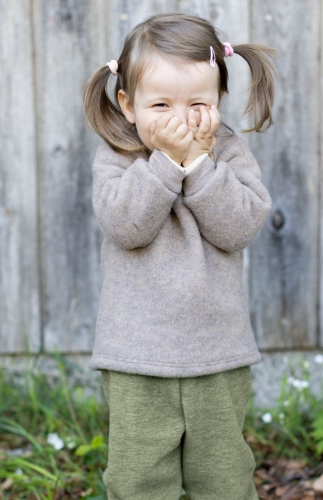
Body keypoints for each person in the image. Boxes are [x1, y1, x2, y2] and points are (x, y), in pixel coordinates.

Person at [82, 12, 276, 500]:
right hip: (137, 358)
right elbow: (128, 226)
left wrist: (200, 166)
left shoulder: (227, 154)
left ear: (218, 102)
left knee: (224, 478)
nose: (179, 119)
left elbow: (238, 228)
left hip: (218, 354)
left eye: (197, 104)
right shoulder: (117, 157)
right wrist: (167, 164)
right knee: (139, 479)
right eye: (161, 104)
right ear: (128, 105)